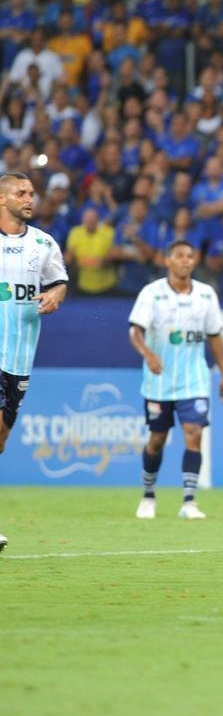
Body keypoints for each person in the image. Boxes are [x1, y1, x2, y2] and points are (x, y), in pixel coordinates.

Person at [128, 240, 223, 521]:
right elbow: (135, 331)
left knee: (194, 434)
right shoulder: (152, 294)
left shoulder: (207, 295)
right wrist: (148, 353)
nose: (185, 261)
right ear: (167, 260)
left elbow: (215, 335)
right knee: (157, 439)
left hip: (194, 379)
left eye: (190, 256)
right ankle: (148, 495)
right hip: (159, 381)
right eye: (180, 256)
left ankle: (189, 501)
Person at [0, 172, 69, 553]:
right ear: (1, 199)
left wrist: (56, 294)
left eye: (31, 193)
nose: (30, 198)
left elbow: (59, 281)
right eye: (20, 193)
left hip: (21, 356)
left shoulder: (44, 244)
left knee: (1, 439)